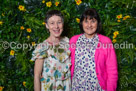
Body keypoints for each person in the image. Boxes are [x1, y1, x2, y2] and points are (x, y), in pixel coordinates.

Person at [70, 8, 118, 91]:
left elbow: (112, 71)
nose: (89, 25)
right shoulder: (73, 40)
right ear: (81, 23)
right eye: (86, 21)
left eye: (93, 21)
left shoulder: (106, 42)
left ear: (98, 23)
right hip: (76, 87)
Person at [31, 10, 71, 91]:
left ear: (63, 24)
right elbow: (37, 75)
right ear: (47, 26)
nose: (56, 26)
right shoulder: (42, 47)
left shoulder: (67, 42)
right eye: (52, 23)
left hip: (67, 86)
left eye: (59, 22)